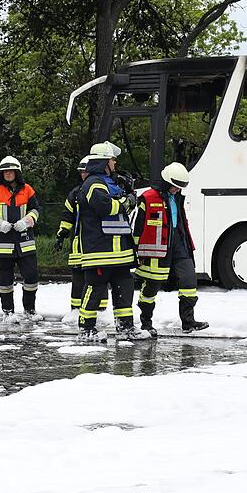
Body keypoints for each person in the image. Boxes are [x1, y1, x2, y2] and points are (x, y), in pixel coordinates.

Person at [75, 141, 148, 342]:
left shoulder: (110, 183)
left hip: (120, 252)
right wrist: (127, 202)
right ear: (104, 162)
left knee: (124, 289)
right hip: (99, 251)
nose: (115, 163)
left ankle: (126, 328)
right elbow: (106, 207)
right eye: (113, 160)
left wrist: (127, 195)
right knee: (95, 289)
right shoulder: (93, 184)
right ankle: (86, 329)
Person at [133, 162, 209, 335]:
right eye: (175, 186)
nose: (177, 189)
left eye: (180, 187)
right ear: (167, 182)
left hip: (179, 244)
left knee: (189, 281)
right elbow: (138, 228)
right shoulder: (148, 198)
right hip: (156, 250)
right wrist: (136, 251)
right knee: (151, 287)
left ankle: (188, 323)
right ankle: (146, 323)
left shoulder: (177, 197)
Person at [0, 156, 42, 322]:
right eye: (5, 171)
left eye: (11, 171)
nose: (8, 173)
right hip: (3, 244)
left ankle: (30, 310)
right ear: (1, 173)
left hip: (25, 242)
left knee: (31, 277)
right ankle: (8, 312)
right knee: (5, 281)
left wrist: (27, 221)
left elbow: (36, 209)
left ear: (17, 172)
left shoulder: (28, 189)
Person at [55, 156, 91, 326]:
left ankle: (99, 311)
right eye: (82, 172)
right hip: (77, 244)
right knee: (77, 279)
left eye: (86, 171)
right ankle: (75, 310)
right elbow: (67, 216)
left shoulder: (100, 189)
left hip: (95, 244)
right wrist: (61, 234)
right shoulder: (75, 193)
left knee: (96, 279)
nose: (84, 174)